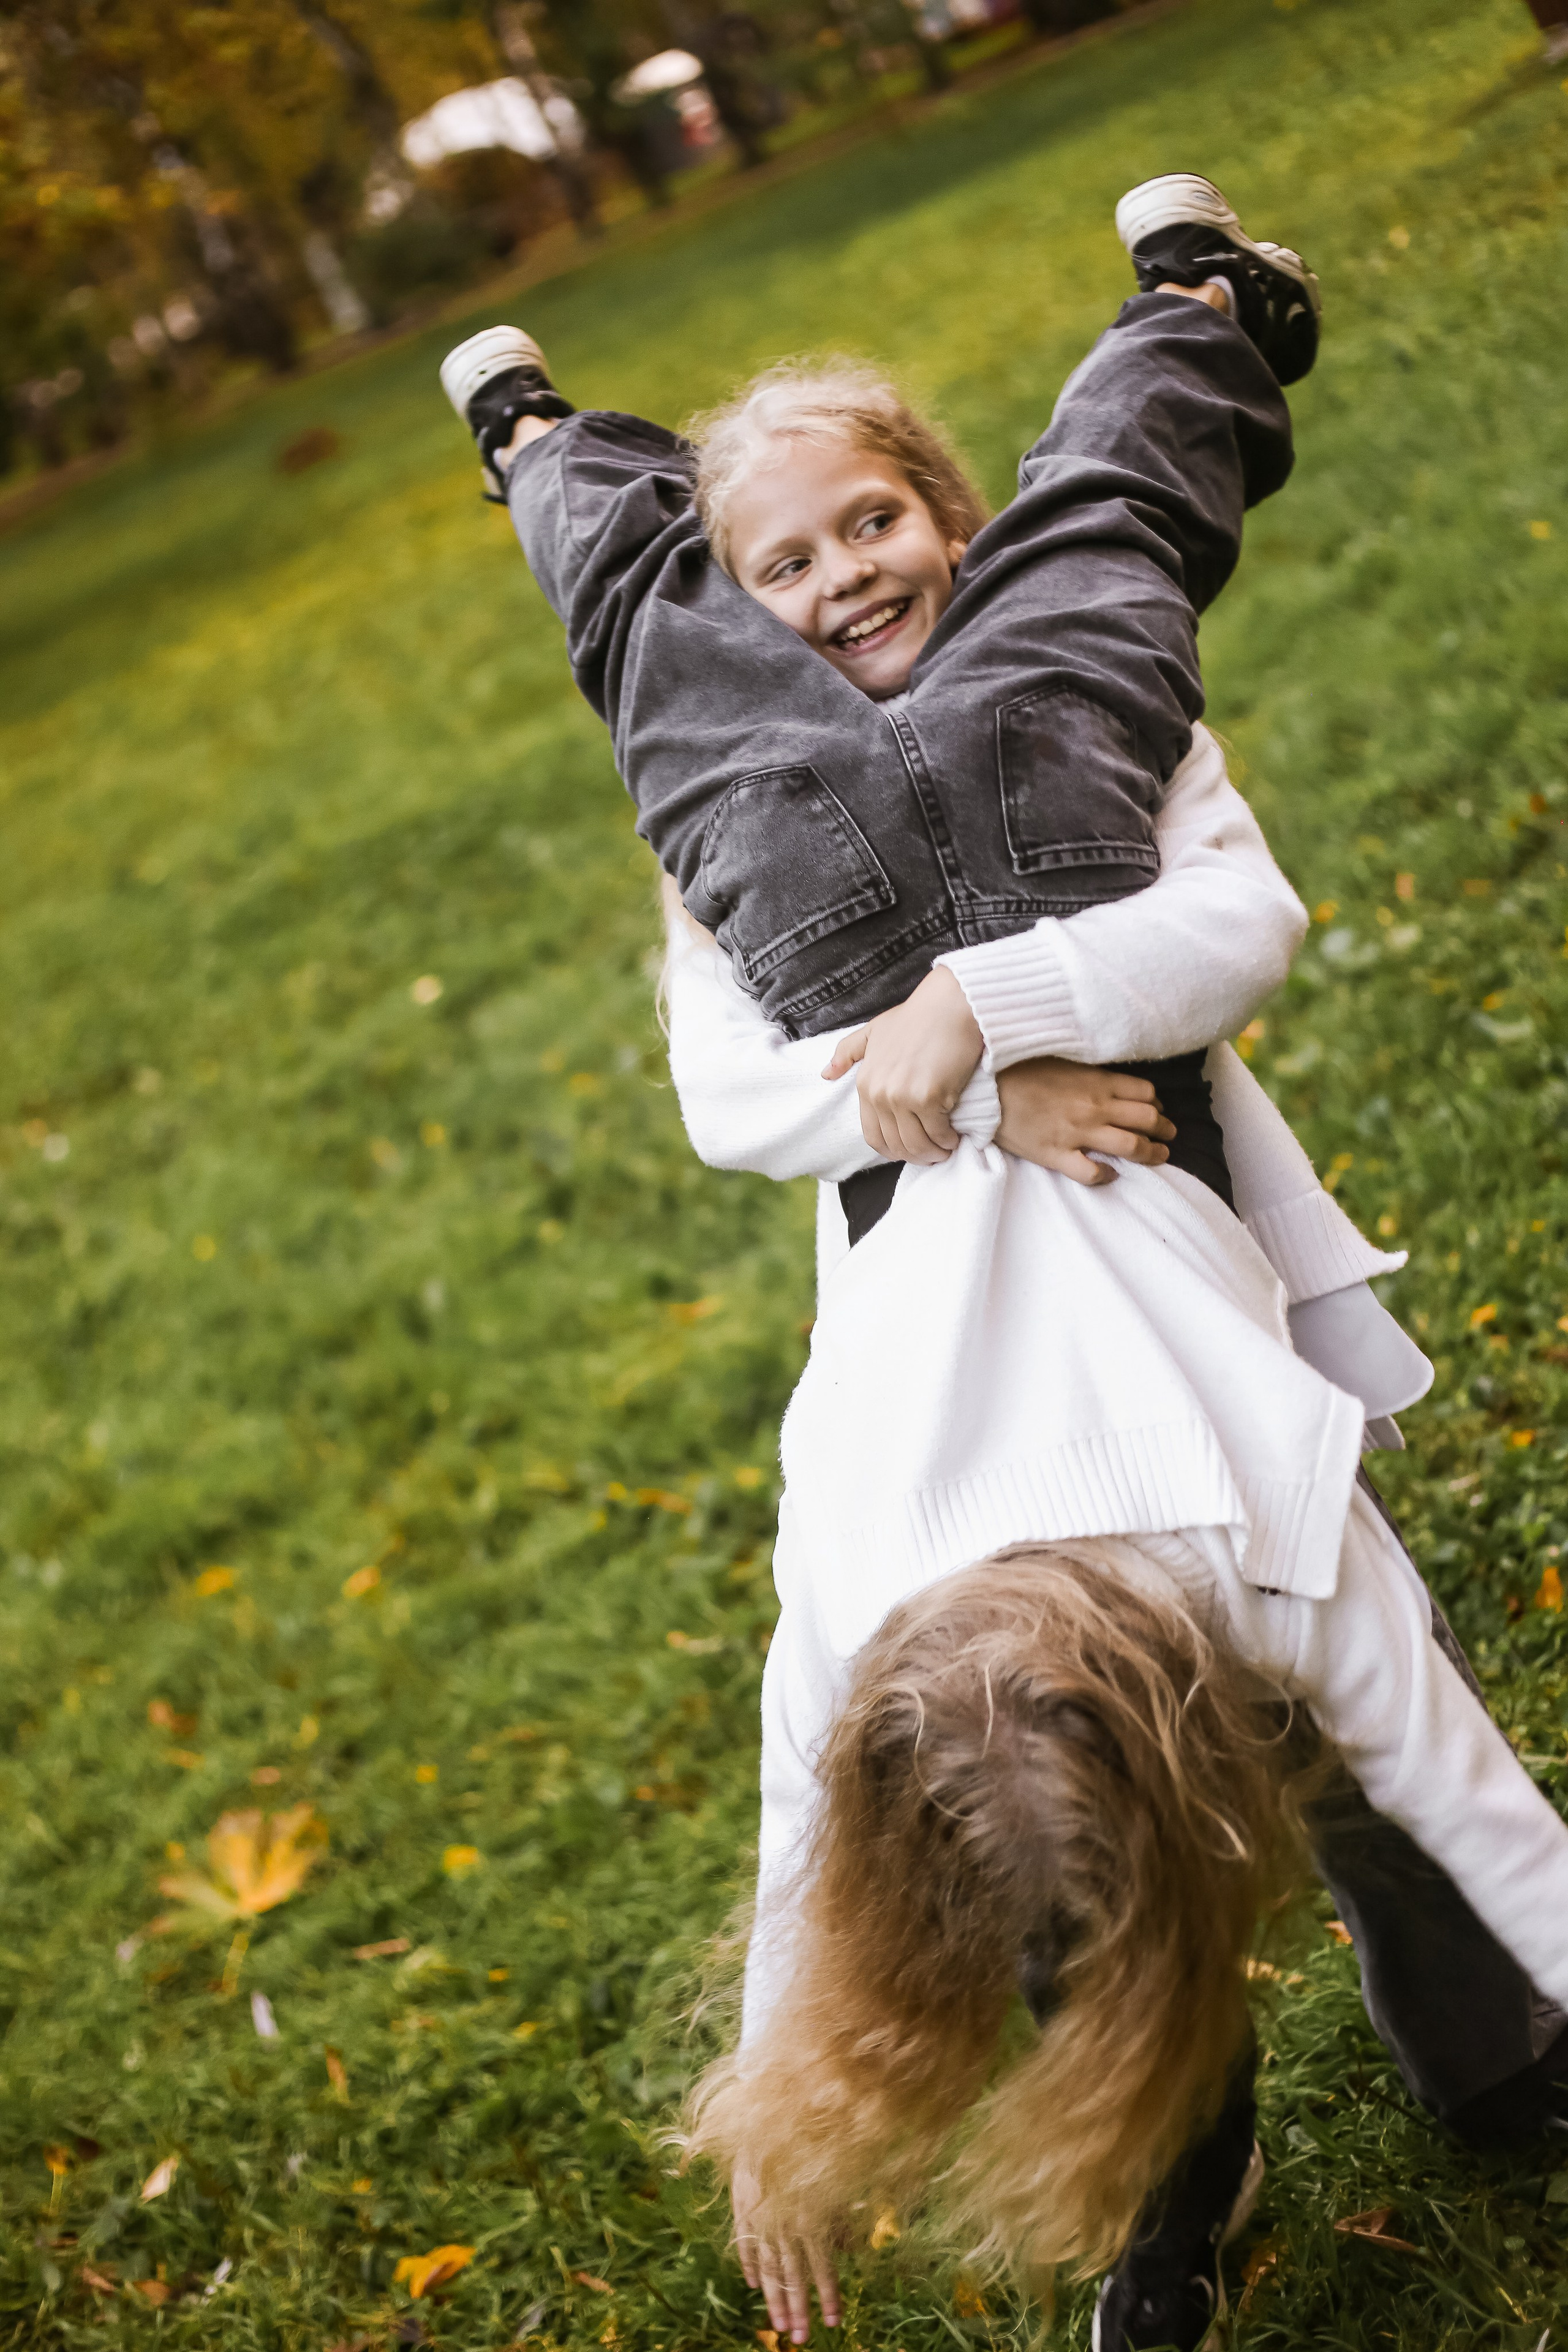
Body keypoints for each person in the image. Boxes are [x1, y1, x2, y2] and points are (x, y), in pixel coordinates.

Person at [437, 180, 1568, 2345]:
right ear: (737, 619)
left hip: (1198, 1267)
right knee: (1060, 1842)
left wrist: (988, 1012)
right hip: (1004, 1256)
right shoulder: (740, 831)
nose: (839, 578)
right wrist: (989, 1090)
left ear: (956, 520)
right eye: (779, 566)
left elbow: (1228, 932)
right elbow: (738, 1103)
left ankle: (1496, 2049)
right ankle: (1175, 2158)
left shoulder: (1096, 712)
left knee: (1360, 1769)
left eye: (874, 525)